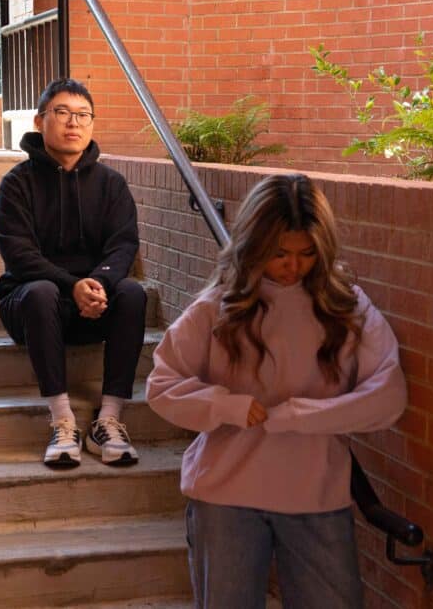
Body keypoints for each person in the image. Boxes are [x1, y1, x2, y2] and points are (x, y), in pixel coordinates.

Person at [146, 175, 407, 609]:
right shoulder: (217, 307)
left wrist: (301, 415)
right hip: (225, 495)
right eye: (279, 253)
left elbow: (388, 396)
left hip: (316, 494)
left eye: (306, 254)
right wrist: (225, 406)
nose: (292, 266)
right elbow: (162, 385)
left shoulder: (348, 307)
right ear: (254, 244)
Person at [0, 77, 147, 468]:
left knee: (132, 293)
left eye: (83, 115)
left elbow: (124, 244)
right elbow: (19, 255)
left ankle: (108, 419)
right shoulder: (16, 184)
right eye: (62, 113)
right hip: (32, 307)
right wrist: (71, 285)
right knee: (41, 290)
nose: (73, 123)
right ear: (40, 120)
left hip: (92, 305)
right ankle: (63, 421)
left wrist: (98, 284)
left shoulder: (111, 184)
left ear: (92, 124)